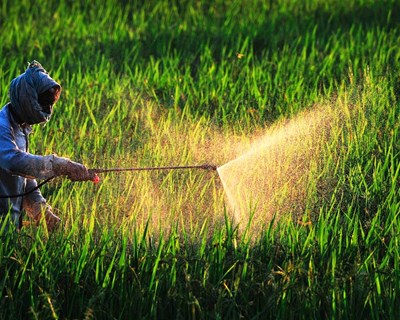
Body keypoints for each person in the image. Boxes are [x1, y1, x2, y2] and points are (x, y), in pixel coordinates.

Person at [0, 60, 94, 232]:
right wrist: (59, 165)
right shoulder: (1, 126)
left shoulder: (21, 128)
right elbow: (13, 162)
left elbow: (24, 176)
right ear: (27, 97)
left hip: (9, 229)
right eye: (43, 101)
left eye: (49, 103)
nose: (47, 108)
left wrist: (41, 211)